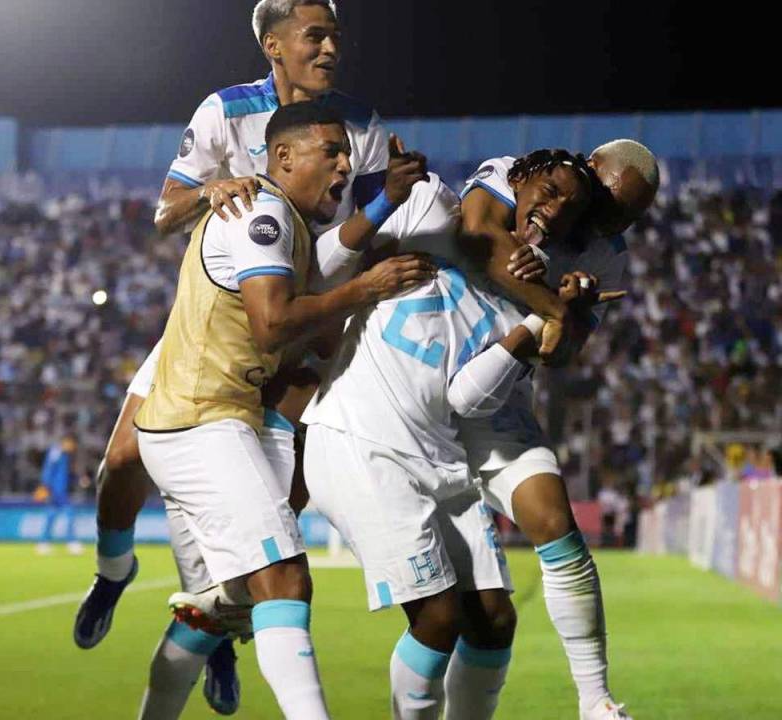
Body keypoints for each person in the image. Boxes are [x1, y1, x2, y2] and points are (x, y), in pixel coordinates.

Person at [75, 0, 389, 712]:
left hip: (310, 312)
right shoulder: (226, 111)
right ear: (274, 45)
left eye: (337, 34)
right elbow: (163, 214)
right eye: (317, 34)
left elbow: (372, 222)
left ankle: (220, 622)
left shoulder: (361, 124)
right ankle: (113, 571)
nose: (332, 46)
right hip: (218, 321)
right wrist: (209, 191)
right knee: (122, 461)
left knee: (271, 532)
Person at [134, 100, 431, 720]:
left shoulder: (289, 222)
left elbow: (321, 276)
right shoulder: (260, 212)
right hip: (199, 420)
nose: (348, 166)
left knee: (235, 599)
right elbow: (272, 325)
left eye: (348, 154)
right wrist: (366, 289)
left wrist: (385, 205)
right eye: (333, 153)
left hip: (236, 418)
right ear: (285, 157)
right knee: (285, 577)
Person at [301, 150, 604, 719]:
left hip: (439, 456)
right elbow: (321, 264)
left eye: (569, 207)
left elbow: (469, 395)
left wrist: (542, 318)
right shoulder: (430, 207)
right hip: (361, 439)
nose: (554, 207)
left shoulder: (520, 297)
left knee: (492, 622)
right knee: (439, 617)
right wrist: (373, 241)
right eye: (549, 188)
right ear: (514, 180)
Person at [448, 139, 659, 720]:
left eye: (627, 218)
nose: (610, 223)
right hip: (423, 385)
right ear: (589, 173)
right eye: (610, 205)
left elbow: (560, 354)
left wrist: (568, 315)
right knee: (453, 616)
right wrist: (554, 305)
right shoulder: (522, 178)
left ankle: (595, 702)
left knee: (558, 529)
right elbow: (479, 237)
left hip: (502, 397)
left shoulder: (607, 254)